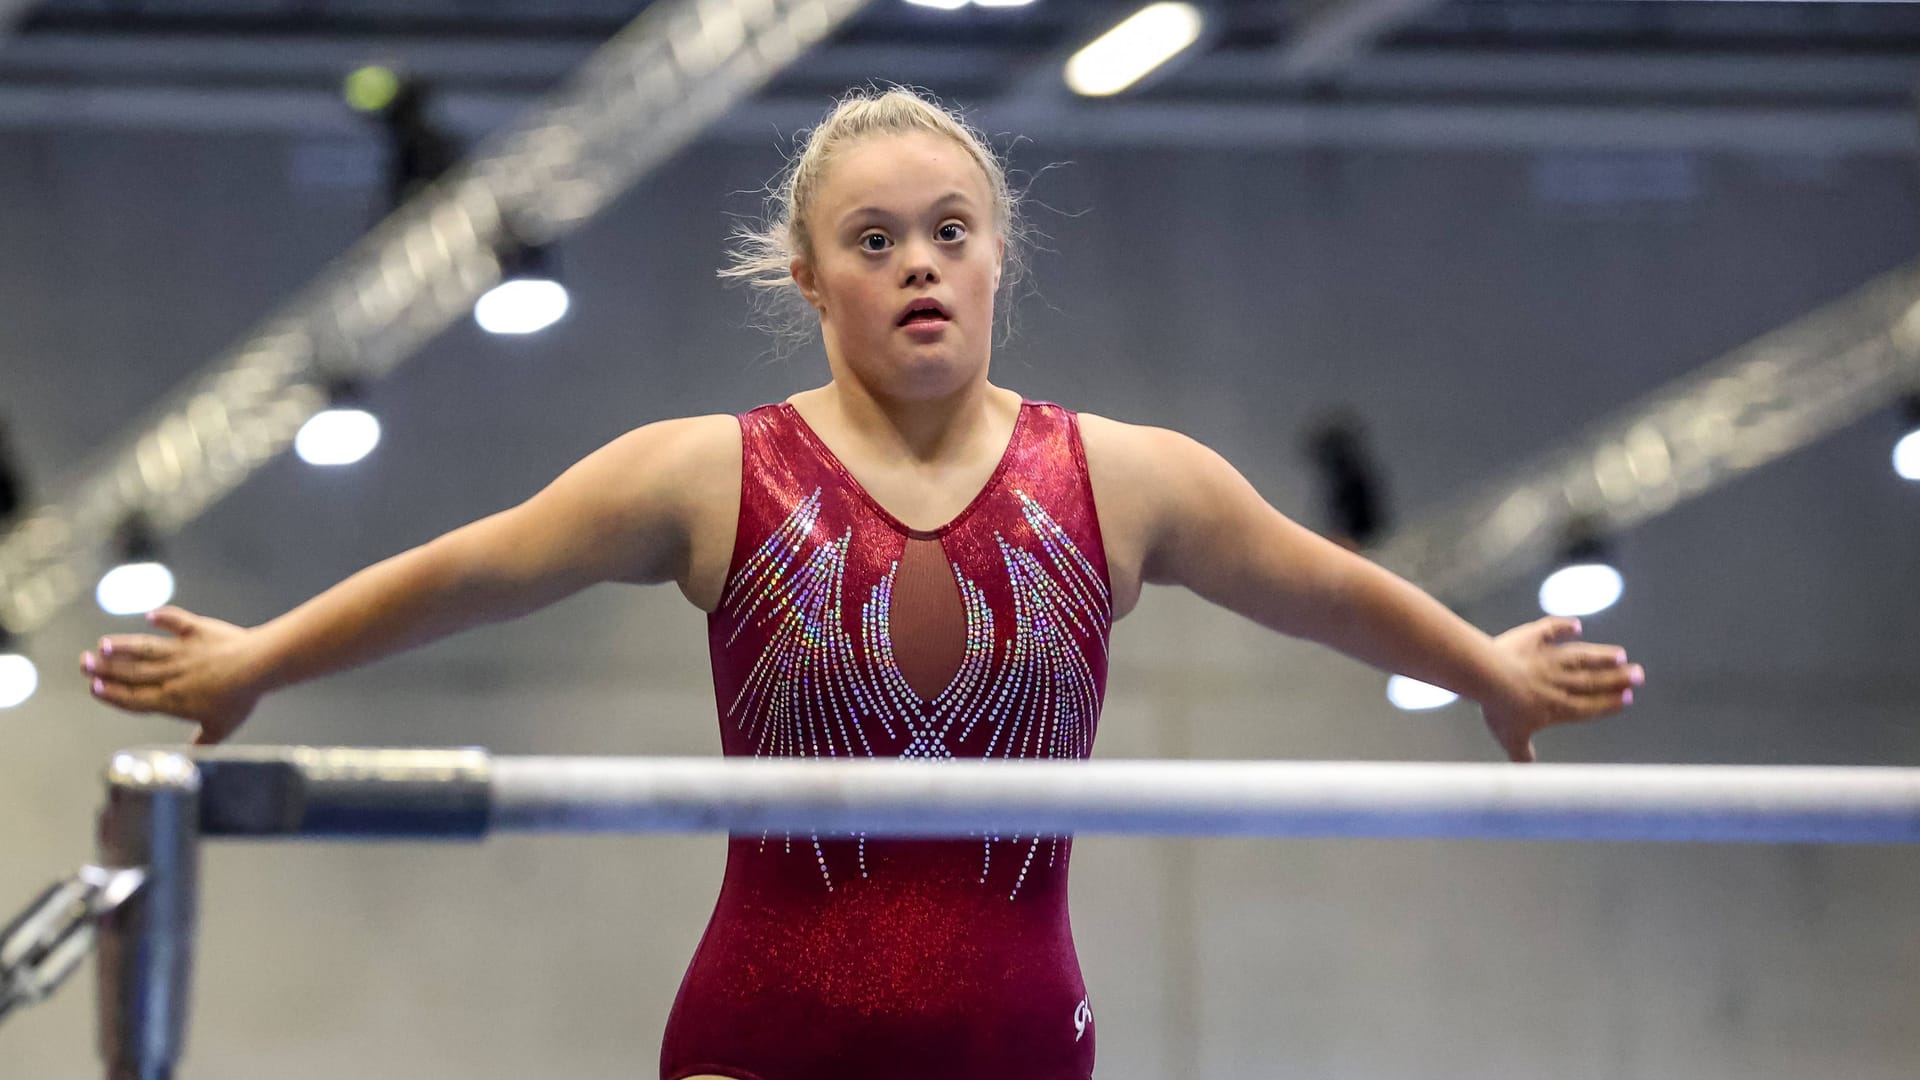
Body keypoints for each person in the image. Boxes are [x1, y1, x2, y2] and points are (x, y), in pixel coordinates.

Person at [79, 88, 1644, 1080]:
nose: (916, 262)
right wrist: (261, 658)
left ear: (996, 262)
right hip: (766, 1036)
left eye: (948, 232)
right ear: (808, 276)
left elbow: (1322, 588)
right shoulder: (705, 477)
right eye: (874, 237)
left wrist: (1490, 672)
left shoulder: (1125, 478)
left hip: (1019, 1040)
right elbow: (470, 571)